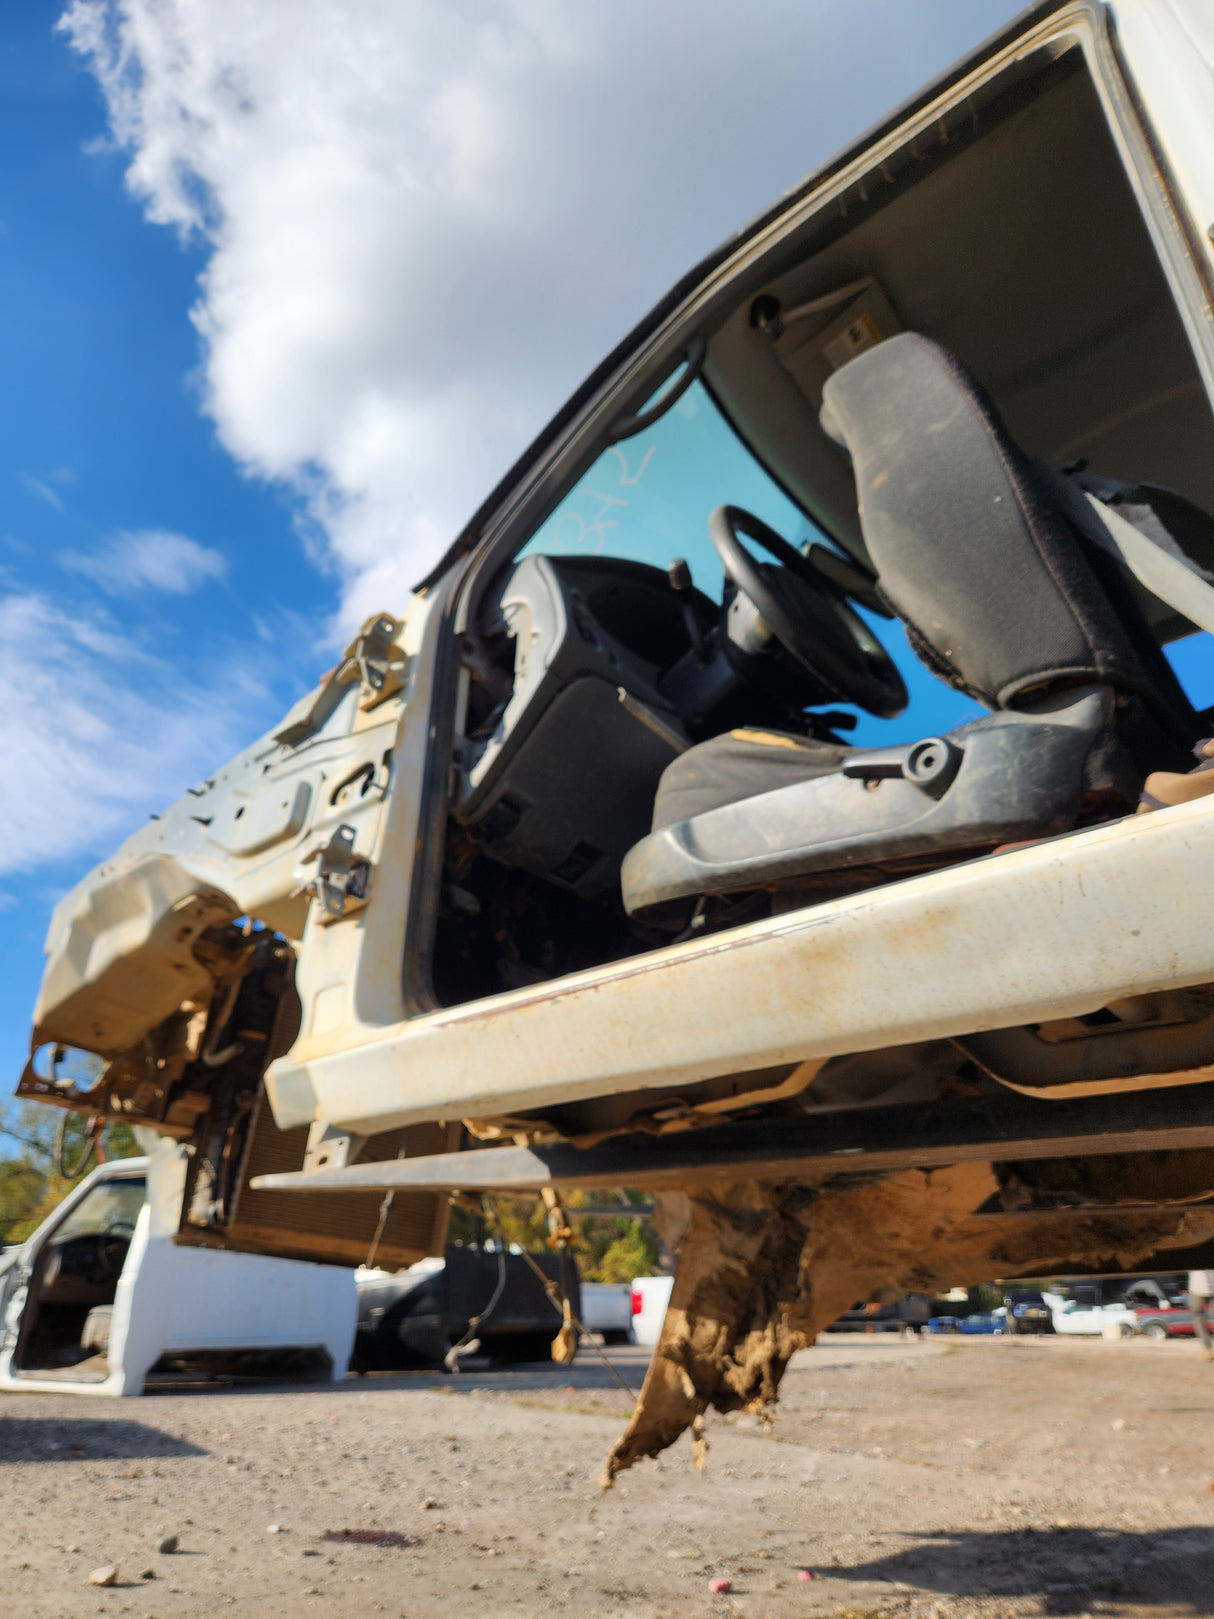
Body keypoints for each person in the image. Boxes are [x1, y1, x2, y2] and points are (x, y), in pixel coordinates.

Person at [1187, 1270, 1214, 1359]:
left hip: (1206, 1284)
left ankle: (1208, 1349)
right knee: (1198, 1317)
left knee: (1198, 1317)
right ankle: (1207, 1348)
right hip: (1196, 1286)